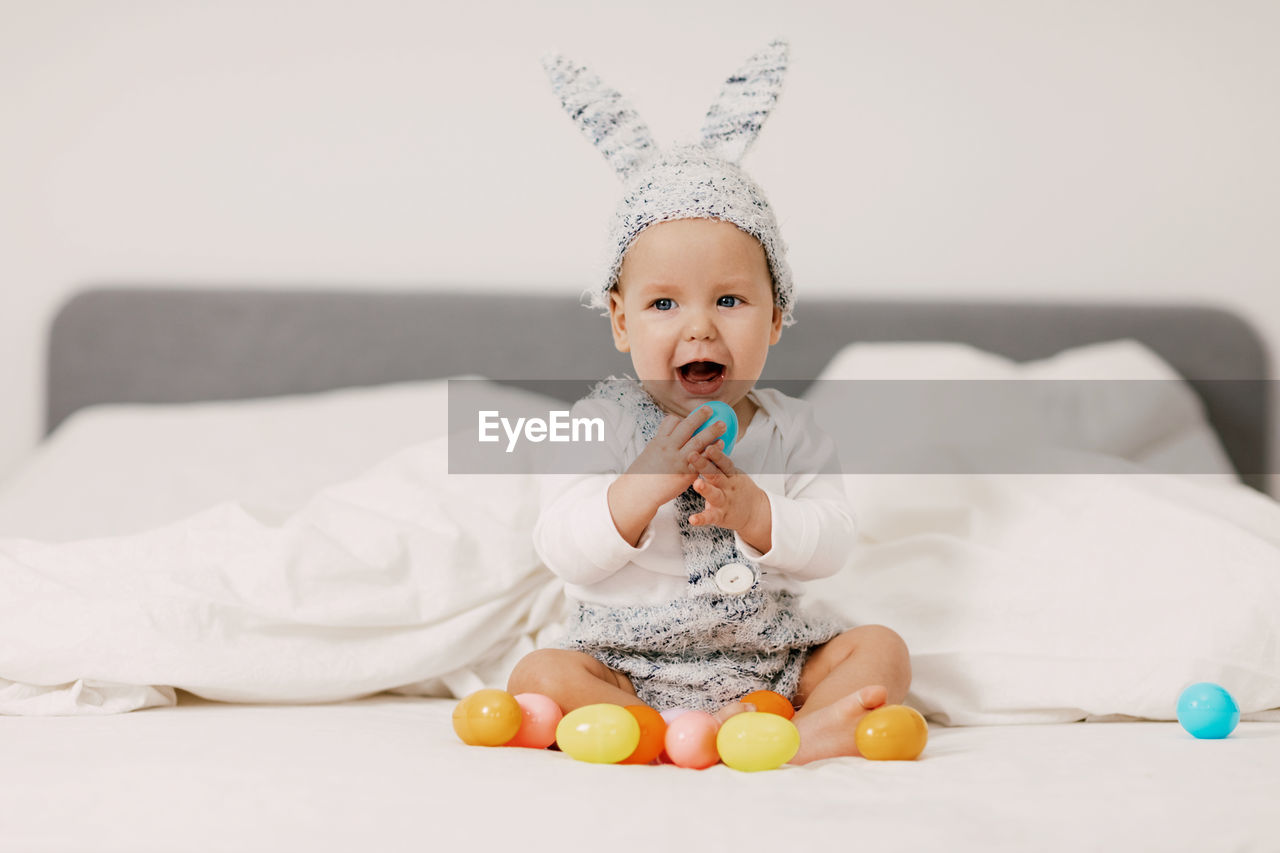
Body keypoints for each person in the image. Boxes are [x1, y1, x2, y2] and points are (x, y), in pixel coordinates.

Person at [508, 39, 911, 764]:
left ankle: (797, 728)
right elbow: (563, 547)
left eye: (730, 299)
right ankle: (656, 733)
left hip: (772, 660)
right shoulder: (596, 424)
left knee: (881, 649)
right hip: (626, 660)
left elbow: (835, 540)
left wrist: (761, 516)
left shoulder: (794, 429)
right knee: (541, 672)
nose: (699, 325)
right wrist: (641, 488)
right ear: (622, 320)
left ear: (777, 317)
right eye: (663, 302)